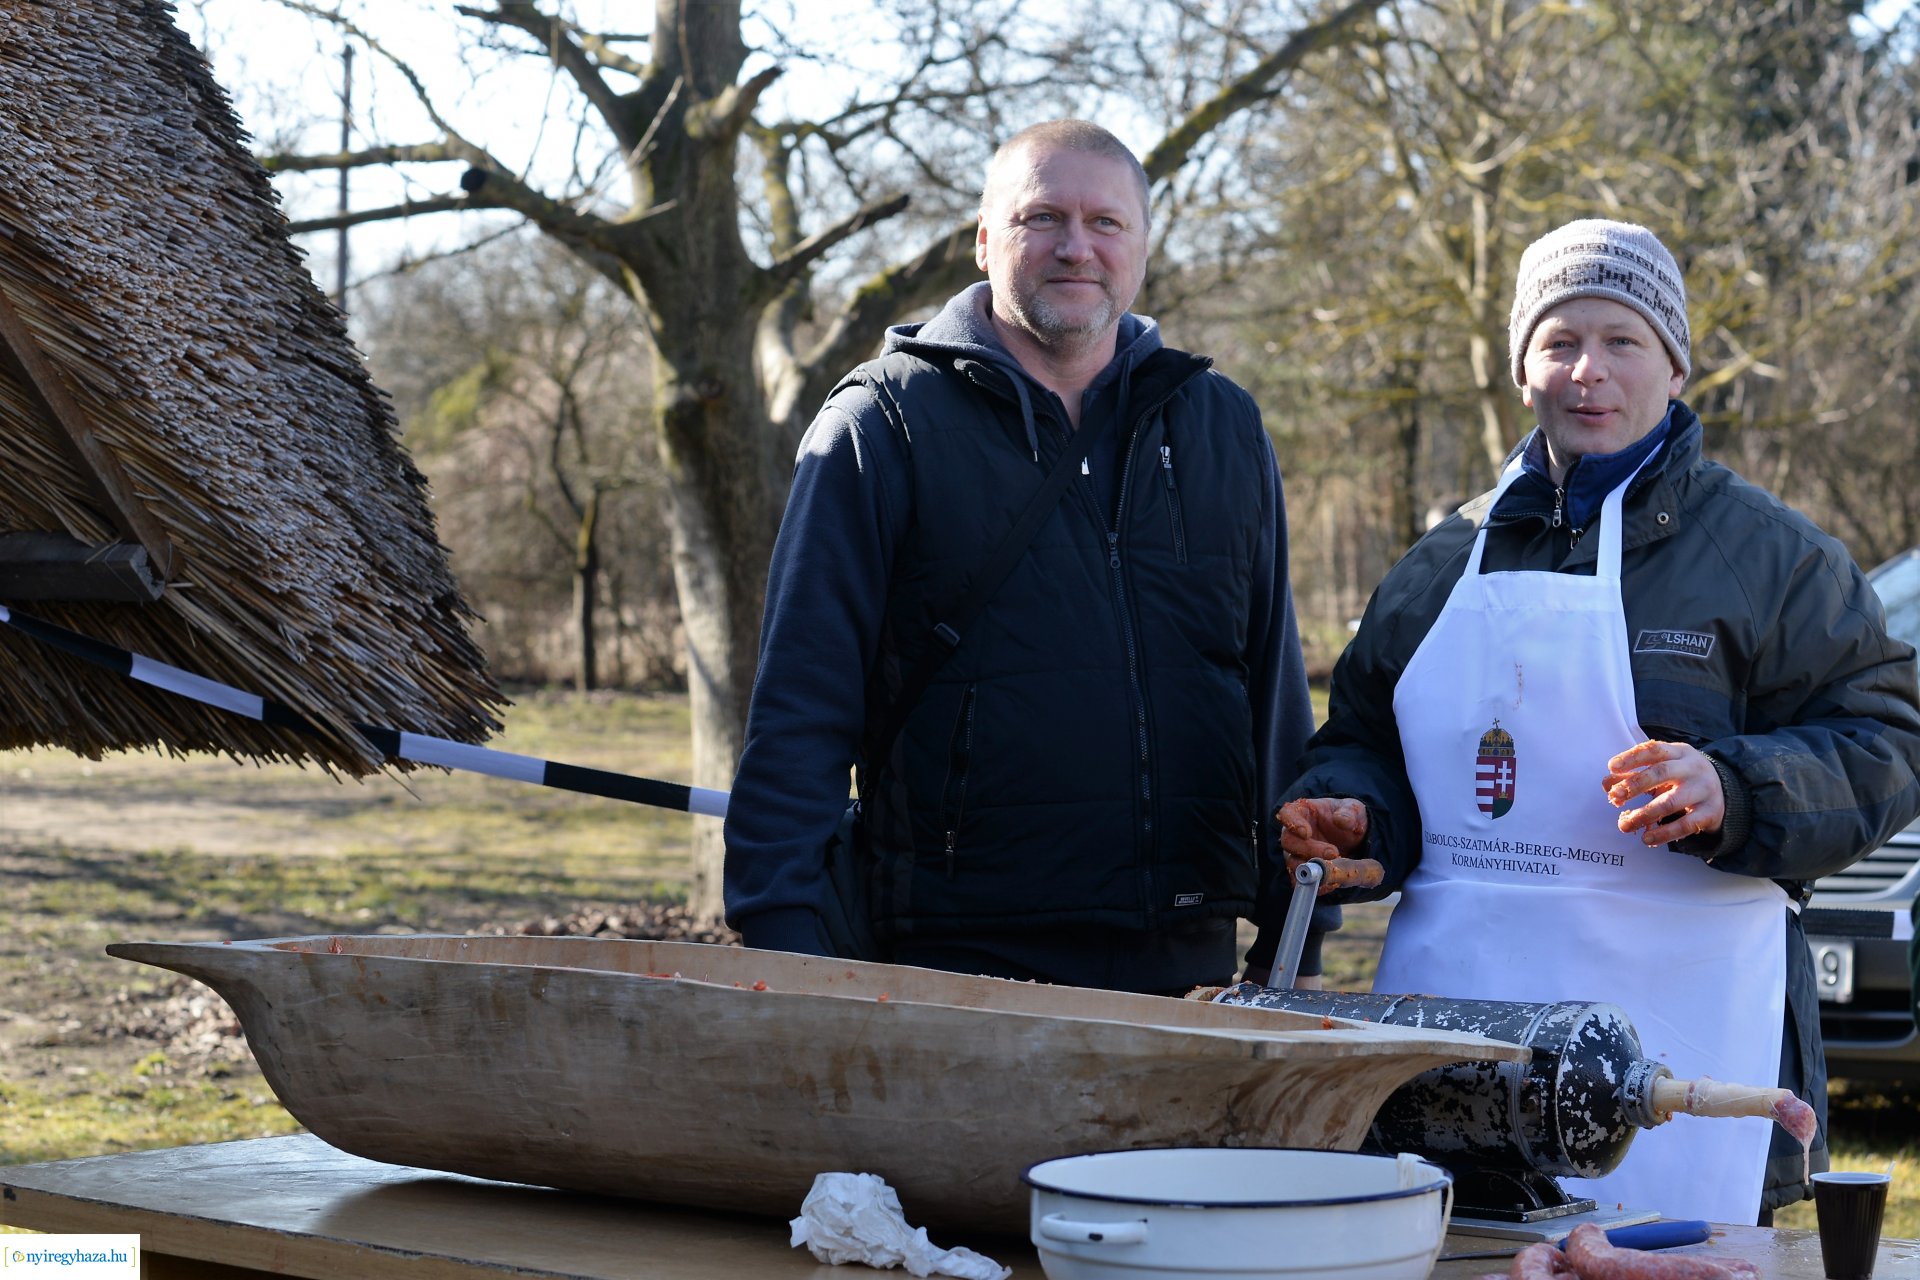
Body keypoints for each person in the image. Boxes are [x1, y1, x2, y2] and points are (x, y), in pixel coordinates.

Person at [1275, 218, 1920, 1223]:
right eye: (1560, 340)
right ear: (1522, 366)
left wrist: (1738, 787)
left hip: (1686, 1029)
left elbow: (1890, 738)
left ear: (1674, 362)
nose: (1590, 370)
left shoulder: (1772, 558)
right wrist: (1358, 813)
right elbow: (1364, 739)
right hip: (1457, 1025)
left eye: (1623, 340)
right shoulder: (1440, 562)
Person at [723, 119, 1326, 995]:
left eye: (1105, 223)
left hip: (1188, 960)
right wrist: (782, 935)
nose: (1076, 248)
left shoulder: (1221, 426)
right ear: (983, 242)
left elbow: (1269, 688)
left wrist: (1295, 931)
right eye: (1041, 218)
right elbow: (801, 703)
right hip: (956, 964)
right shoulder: (882, 425)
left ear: (1143, 246)